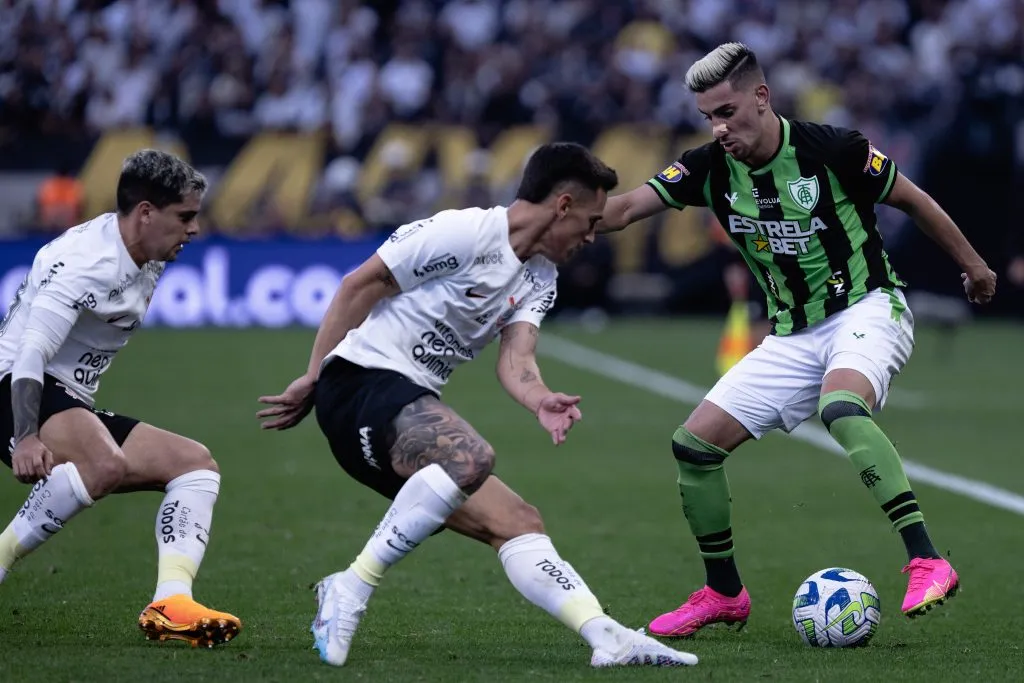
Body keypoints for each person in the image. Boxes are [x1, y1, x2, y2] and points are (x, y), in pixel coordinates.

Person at [597, 43, 997, 638]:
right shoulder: (708, 168)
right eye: (709, 116)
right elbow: (626, 208)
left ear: (762, 97)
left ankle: (927, 559)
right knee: (694, 448)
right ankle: (723, 593)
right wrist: (539, 220)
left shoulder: (833, 149)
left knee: (840, 408)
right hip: (790, 334)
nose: (719, 127)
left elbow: (912, 199)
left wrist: (974, 265)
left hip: (868, 305)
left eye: (728, 111)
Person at [257, 142, 698, 669]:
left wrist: (540, 399)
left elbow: (517, 357)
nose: (590, 235)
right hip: (360, 385)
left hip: (405, 406)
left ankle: (607, 637)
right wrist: (315, 373)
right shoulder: (464, 233)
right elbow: (361, 284)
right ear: (562, 205)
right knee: (470, 457)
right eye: (589, 220)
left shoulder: (541, 276)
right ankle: (349, 587)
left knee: (517, 521)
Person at [0, 149, 241, 648]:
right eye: (185, 216)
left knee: (195, 466)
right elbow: (30, 354)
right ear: (146, 213)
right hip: (16, 383)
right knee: (103, 463)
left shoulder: (148, 252)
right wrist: (25, 436)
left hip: (65, 395)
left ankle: (171, 602)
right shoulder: (85, 264)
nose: (194, 229)